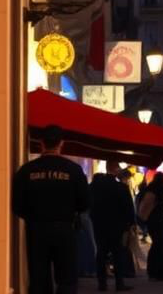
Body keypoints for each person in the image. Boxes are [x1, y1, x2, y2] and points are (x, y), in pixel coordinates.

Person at [12, 125, 90, 294]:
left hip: (36, 230)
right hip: (65, 229)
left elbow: (16, 205)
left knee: (39, 278)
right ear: (61, 143)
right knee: (67, 279)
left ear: (41, 143)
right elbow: (84, 203)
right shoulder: (73, 170)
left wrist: (32, 216)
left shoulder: (27, 171)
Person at [89, 163, 135, 292]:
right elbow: (128, 208)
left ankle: (102, 283)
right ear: (115, 169)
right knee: (117, 253)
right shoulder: (121, 187)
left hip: (99, 224)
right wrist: (130, 224)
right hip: (117, 225)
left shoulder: (94, 187)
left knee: (101, 253)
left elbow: (88, 203)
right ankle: (119, 283)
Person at [138, 173, 163, 282]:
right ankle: (160, 272)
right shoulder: (155, 191)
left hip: (157, 222)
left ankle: (156, 272)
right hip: (157, 222)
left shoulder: (157, 190)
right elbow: (146, 207)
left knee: (159, 246)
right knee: (162, 246)